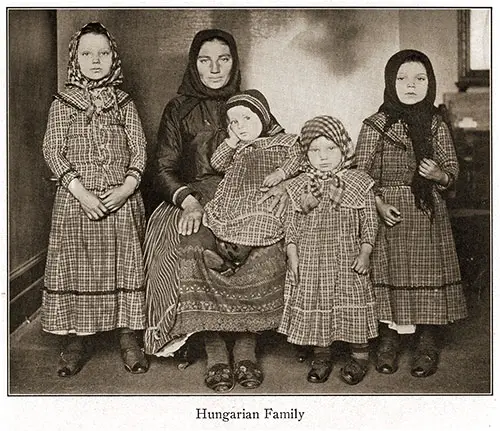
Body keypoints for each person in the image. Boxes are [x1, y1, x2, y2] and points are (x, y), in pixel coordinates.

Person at [143, 30, 287, 392]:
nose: (215, 68)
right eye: (205, 60)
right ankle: (213, 347)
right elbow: (162, 167)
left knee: (268, 246)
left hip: (250, 197)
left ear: (234, 62)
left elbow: (287, 149)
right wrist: (187, 200)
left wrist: (283, 184)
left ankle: (247, 344)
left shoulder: (249, 106)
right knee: (192, 246)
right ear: (194, 63)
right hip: (194, 195)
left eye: (223, 59)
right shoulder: (179, 108)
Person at [42, 22, 149, 377]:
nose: (96, 60)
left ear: (113, 57)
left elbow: (139, 149)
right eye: (87, 54)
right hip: (78, 200)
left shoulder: (123, 102)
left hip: (120, 198)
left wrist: (126, 188)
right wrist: (82, 193)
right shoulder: (64, 103)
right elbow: (53, 151)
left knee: (126, 262)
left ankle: (129, 337)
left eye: (103, 53)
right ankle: (76, 340)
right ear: (75, 58)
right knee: (78, 267)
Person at [355, 49, 467, 378]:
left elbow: (453, 173)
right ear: (390, 82)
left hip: (427, 213)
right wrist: (376, 203)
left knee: (427, 275)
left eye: (420, 78)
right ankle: (388, 340)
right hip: (387, 214)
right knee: (390, 275)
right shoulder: (374, 125)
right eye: (402, 79)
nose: (411, 85)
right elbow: (360, 175)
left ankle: (427, 341)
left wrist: (439, 176)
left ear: (430, 83)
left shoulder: (435, 125)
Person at [278, 116, 378, 385]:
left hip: (347, 258)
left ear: (344, 148)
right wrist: (292, 253)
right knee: (317, 303)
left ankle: (359, 357)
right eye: (315, 150)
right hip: (311, 259)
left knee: (352, 304)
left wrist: (365, 252)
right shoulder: (300, 185)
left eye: (330, 149)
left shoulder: (359, 182)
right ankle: (321, 355)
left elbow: (370, 221)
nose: (322, 157)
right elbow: (292, 223)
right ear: (305, 153)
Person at [202, 89, 301, 274]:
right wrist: (231, 141)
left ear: (262, 117)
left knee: (257, 223)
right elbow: (217, 164)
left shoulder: (284, 141)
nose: (241, 126)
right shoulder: (238, 147)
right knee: (224, 223)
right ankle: (228, 261)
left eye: (247, 118)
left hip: (263, 194)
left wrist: (281, 173)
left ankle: (233, 260)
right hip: (237, 195)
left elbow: (297, 158)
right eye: (234, 122)